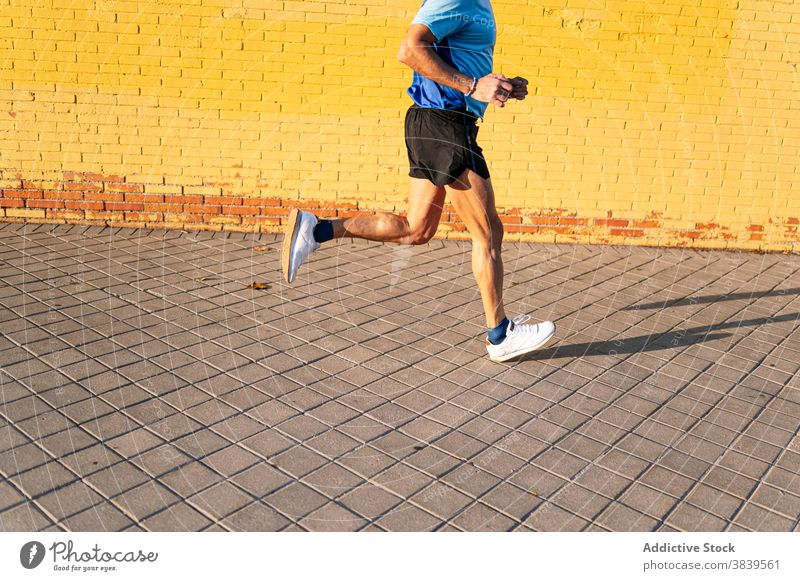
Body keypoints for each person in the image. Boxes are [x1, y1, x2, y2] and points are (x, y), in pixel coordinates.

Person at [282, 0, 555, 362]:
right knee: (487, 232)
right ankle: (500, 335)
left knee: (416, 230)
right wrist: (472, 85)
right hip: (444, 123)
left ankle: (315, 231)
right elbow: (410, 49)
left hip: (436, 122)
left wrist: (498, 85)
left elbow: (460, 59)